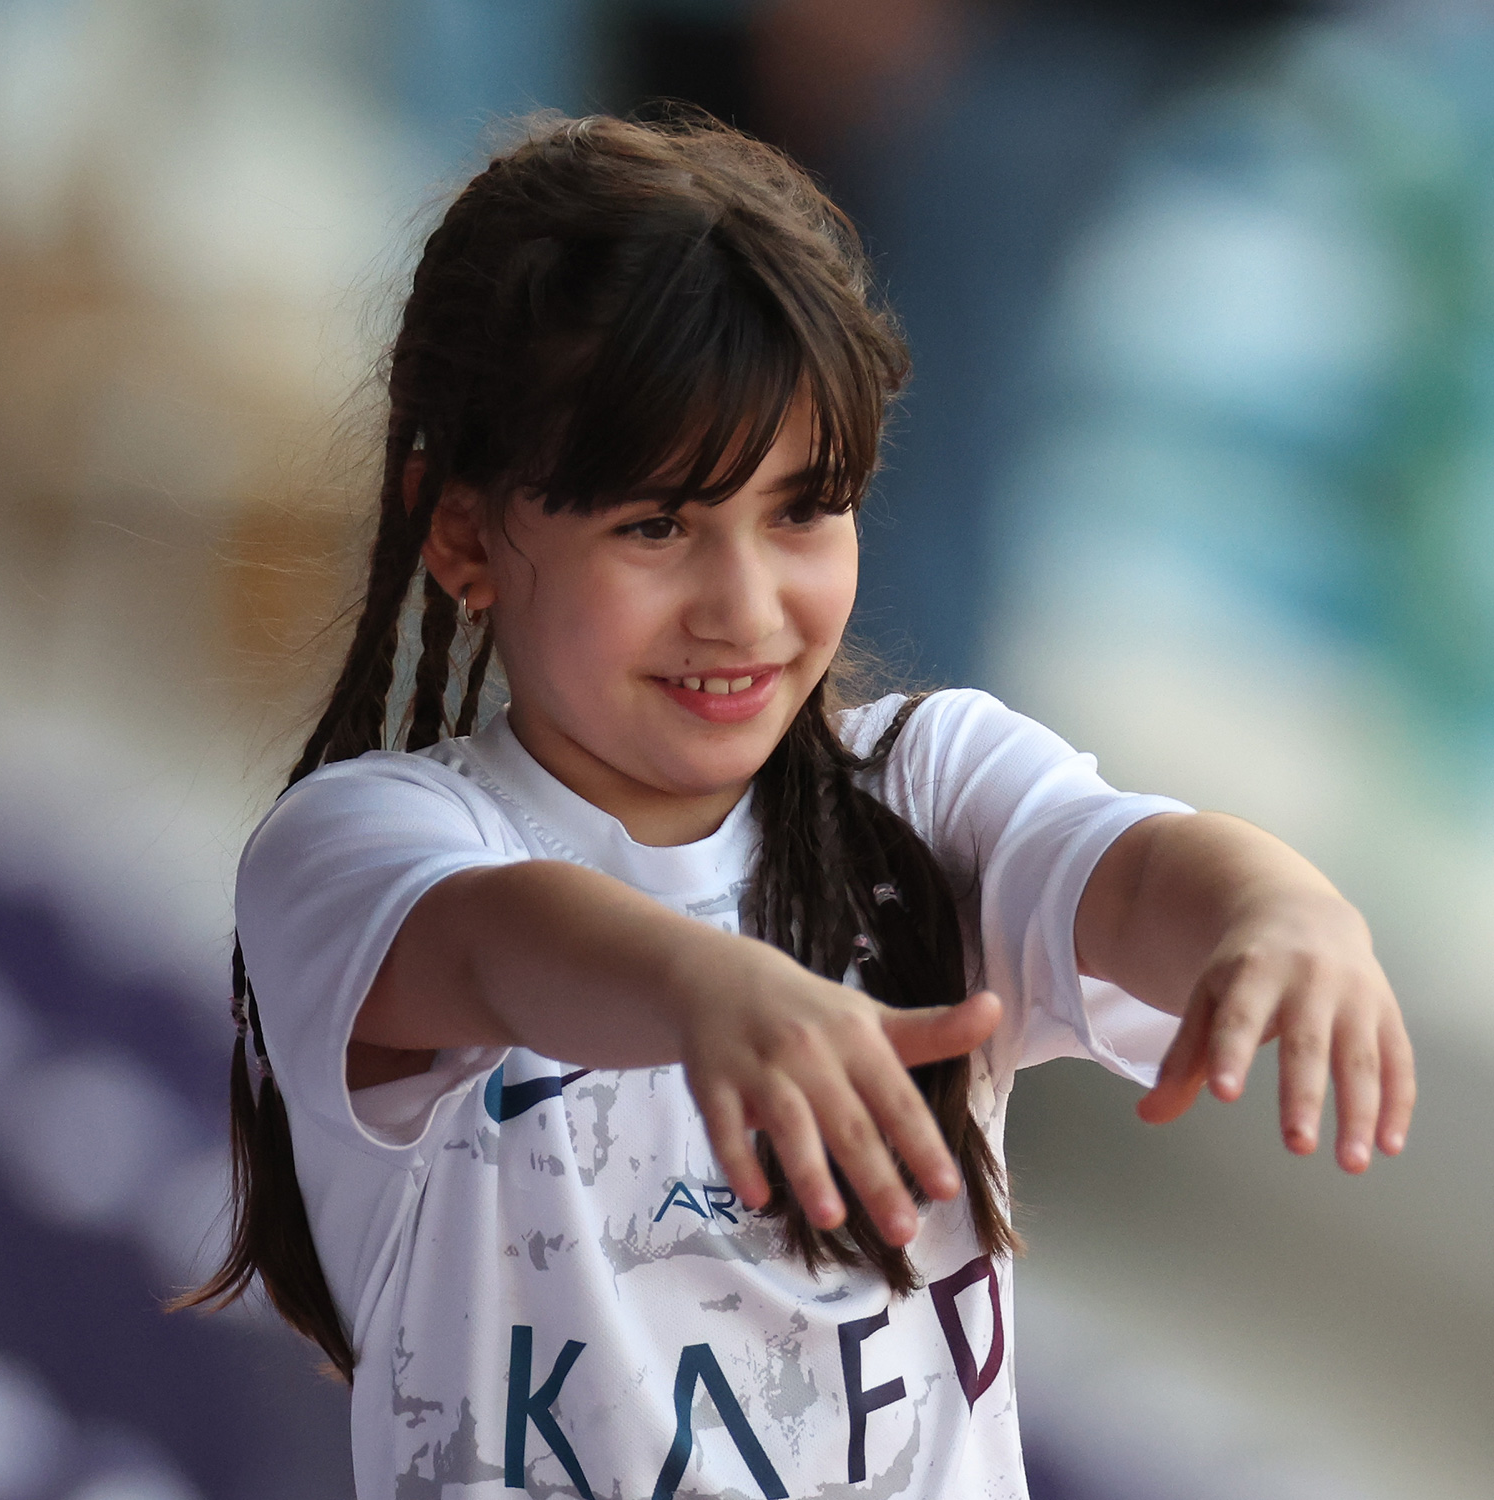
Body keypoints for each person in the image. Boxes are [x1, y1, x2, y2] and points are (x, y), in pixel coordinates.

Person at [186, 114, 1415, 1500]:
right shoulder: (359, 845)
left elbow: (1131, 874)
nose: (745, 605)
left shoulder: (927, 792)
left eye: (803, 510)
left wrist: (1283, 915)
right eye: (657, 525)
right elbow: (492, 946)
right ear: (464, 530)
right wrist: (710, 993)